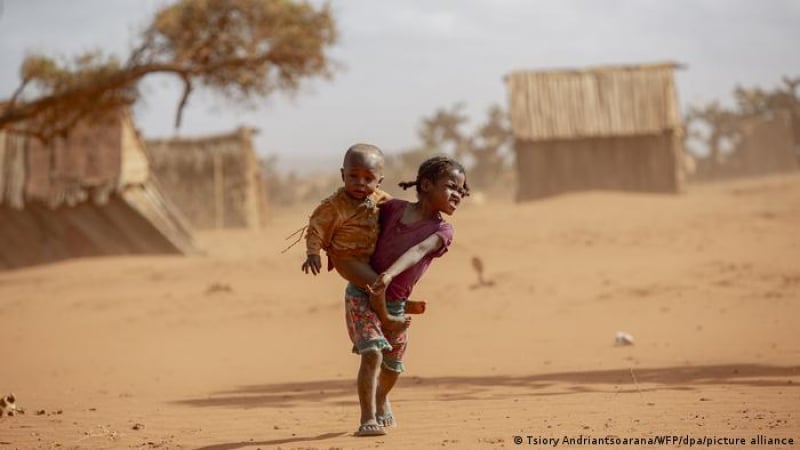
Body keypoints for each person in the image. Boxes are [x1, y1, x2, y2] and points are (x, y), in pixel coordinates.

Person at [345, 156, 469, 437]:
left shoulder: (442, 231)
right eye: (451, 187)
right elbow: (355, 207)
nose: (458, 195)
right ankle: (367, 418)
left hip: (395, 304)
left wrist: (388, 276)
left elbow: (418, 251)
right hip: (361, 294)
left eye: (461, 191)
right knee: (372, 352)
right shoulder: (390, 209)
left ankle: (381, 397)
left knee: (393, 366)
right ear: (425, 184)